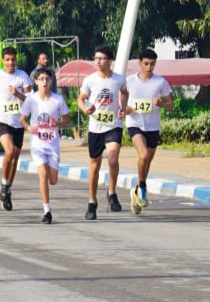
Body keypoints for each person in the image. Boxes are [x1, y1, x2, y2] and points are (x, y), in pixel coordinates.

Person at [77, 45, 129, 220]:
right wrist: (84, 108)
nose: (97, 62)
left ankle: (112, 193)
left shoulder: (119, 79)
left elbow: (124, 92)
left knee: (113, 159)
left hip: (113, 125)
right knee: (95, 165)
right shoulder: (90, 80)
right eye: (96, 58)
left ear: (110, 61)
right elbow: (81, 98)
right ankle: (92, 202)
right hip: (95, 127)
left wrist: (122, 107)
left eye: (102, 58)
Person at [125, 48, 173, 215]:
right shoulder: (130, 81)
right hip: (135, 123)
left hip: (153, 126)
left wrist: (162, 105)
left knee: (147, 161)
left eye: (152, 64)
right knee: (143, 155)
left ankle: (137, 190)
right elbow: (122, 100)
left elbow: (171, 105)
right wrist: (126, 109)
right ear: (139, 63)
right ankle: (143, 188)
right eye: (146, 63)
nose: (149, 67)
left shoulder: (160, 82)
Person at [20, 68, 70, 224]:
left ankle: (48, 179)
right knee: (42, 174)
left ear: (51, 82)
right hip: (38, 144)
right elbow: (22, 119)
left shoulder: (58, 99)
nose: (44, 82)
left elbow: (67, 120)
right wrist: (29, 128)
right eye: (41, 79)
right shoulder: (31, 100)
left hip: (53, 144)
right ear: (36, 81)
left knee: (53, 180)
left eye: (47, 79)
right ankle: (47, 211)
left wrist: (58, 123)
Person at [0, 46, 33, 211]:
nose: (10, 62)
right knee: (10, 151)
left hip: (18, 122)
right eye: (7, 60)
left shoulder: (23, 77)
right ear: (2, 60)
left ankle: (6, 189)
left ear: (16, 60)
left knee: (14, 159)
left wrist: (19, 94)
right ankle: (5, 186)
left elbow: (31, 99)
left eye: (13, 59)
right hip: (2, 120)